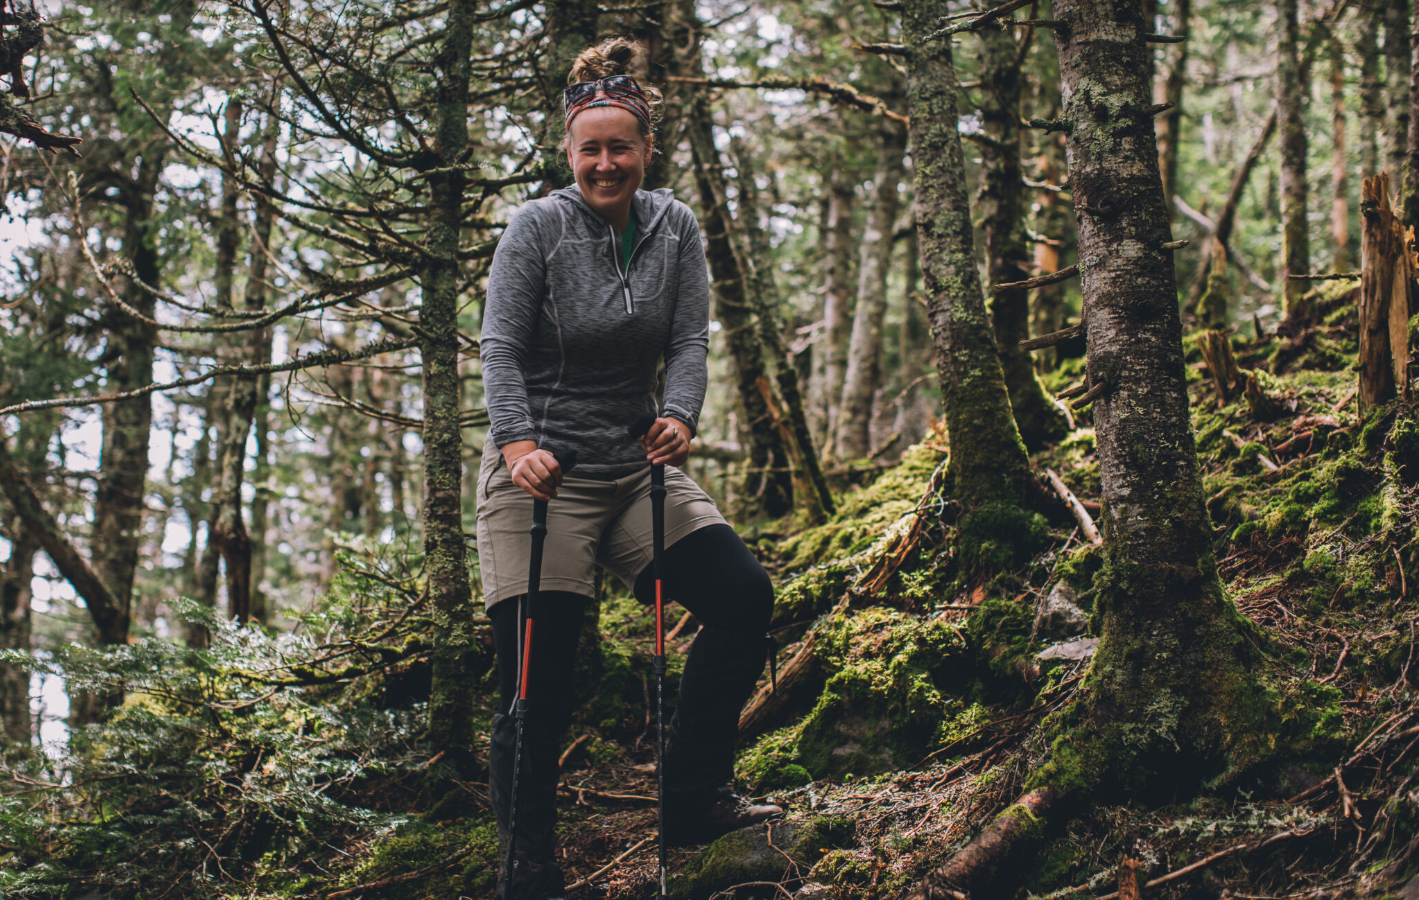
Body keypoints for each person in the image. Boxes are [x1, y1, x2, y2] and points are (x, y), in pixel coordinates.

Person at [477, 37, 783, 900]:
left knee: (740, 599)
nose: (604, 163)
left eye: (620, 147)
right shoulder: (537, 228)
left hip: (635, 470)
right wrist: (516, 445)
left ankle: (691, 801)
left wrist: (679, 414)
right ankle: (527, 868)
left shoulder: (673, 226)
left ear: (646, 150)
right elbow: (499, 348)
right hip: (540, 479)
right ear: (569, 153)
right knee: (540, 676)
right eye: (589, 149)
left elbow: (688, 337)